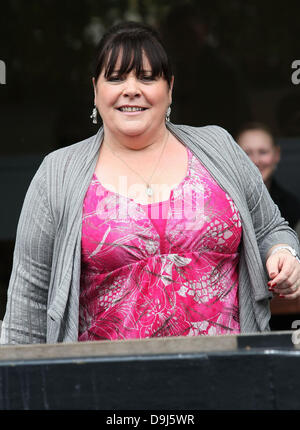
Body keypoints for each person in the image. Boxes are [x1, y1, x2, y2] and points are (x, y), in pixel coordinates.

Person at [1, 22, 300, 345]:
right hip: (100, 386)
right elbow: (28, 306)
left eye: (146, 77)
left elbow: (271, 228)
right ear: (95, 90)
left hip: (230, 379)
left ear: (169, 87)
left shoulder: (219, 147)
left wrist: (283, 253)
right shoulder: (58, 174)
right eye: (115, 78)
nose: (131, 89)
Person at [236, 122, 300, 329]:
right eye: (247, 153)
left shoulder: (294, 206)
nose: (255, 160)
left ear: (276, 155)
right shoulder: (221, 204)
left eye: (263, 152)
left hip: (285, 313)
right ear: (234, 156)